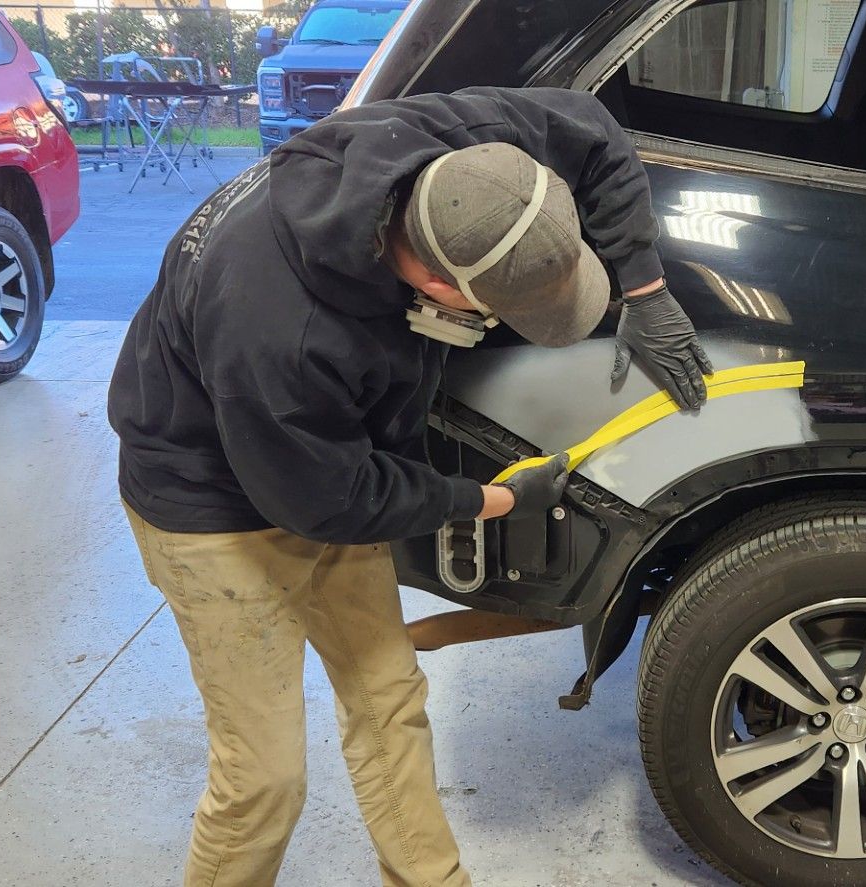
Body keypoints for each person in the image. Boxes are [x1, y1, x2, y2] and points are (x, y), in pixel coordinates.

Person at [107, 86, 711, 887]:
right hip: (212, 506)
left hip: (313, 458)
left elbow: (592, 128)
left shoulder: (454, 151)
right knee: (264, 778)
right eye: (500, 312)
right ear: (436, 284)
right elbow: (329, 500)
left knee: (388, 700)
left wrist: (644, 286)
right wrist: (493, 500)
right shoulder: (280, 331)